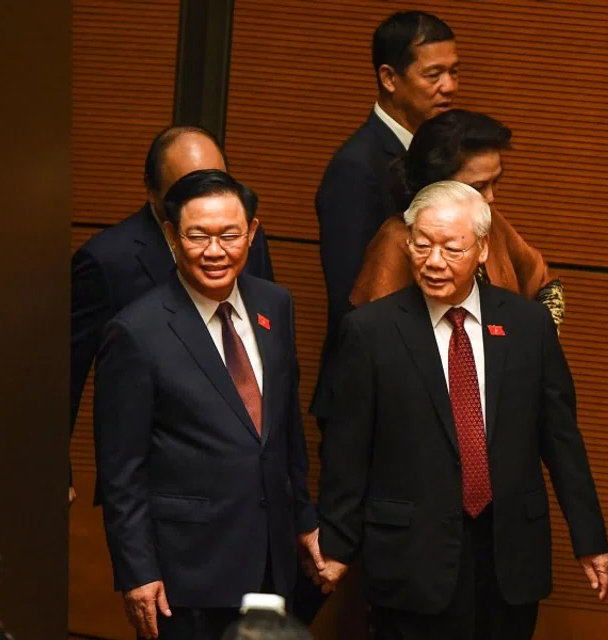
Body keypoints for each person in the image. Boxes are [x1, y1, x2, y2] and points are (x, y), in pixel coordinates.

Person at [315, 181, 608, 639]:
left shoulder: (527, 324)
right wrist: (335, 543)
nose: (434, 262)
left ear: (482, 248)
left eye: (452, 248)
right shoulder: (371, 331)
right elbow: (347, 449)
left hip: (509, 552)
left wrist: (589, 538)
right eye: (422, 245)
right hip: (412, 553)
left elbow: (561, 438)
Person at [94, 170, 318, 640]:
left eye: (229, 235)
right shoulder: (137, 330)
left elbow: (285, 429)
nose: (215, 251)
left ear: (252, 233)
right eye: (198, 236)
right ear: (173, 237)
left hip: (271, 561)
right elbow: (122, 471)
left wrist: (303, 521)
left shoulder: (275, 305)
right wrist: (137, 572)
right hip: (187, 570)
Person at [70, 125, 274, 505]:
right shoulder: (105, 262)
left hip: (247, 484)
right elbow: (64, 374)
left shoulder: (246, 238)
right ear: (152, 191)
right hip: (158, 485)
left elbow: (266, 354)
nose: (203, 201)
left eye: (215, 184)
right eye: (185, 191)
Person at [311, 10, 459, 432]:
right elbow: (352, 298)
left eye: (453, 71)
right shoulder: (358, 167)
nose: (449, 87)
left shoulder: (432, 154)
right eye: (434, 75)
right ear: (390, 78)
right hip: (370, 397)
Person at [350, 109, 564, 327]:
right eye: (478, 187)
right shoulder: (396, 239)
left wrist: (531, 349)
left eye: (495, 182)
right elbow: (378, 338)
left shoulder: (487, 220)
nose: (490, 198)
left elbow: (546, 286)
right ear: (436, 184)